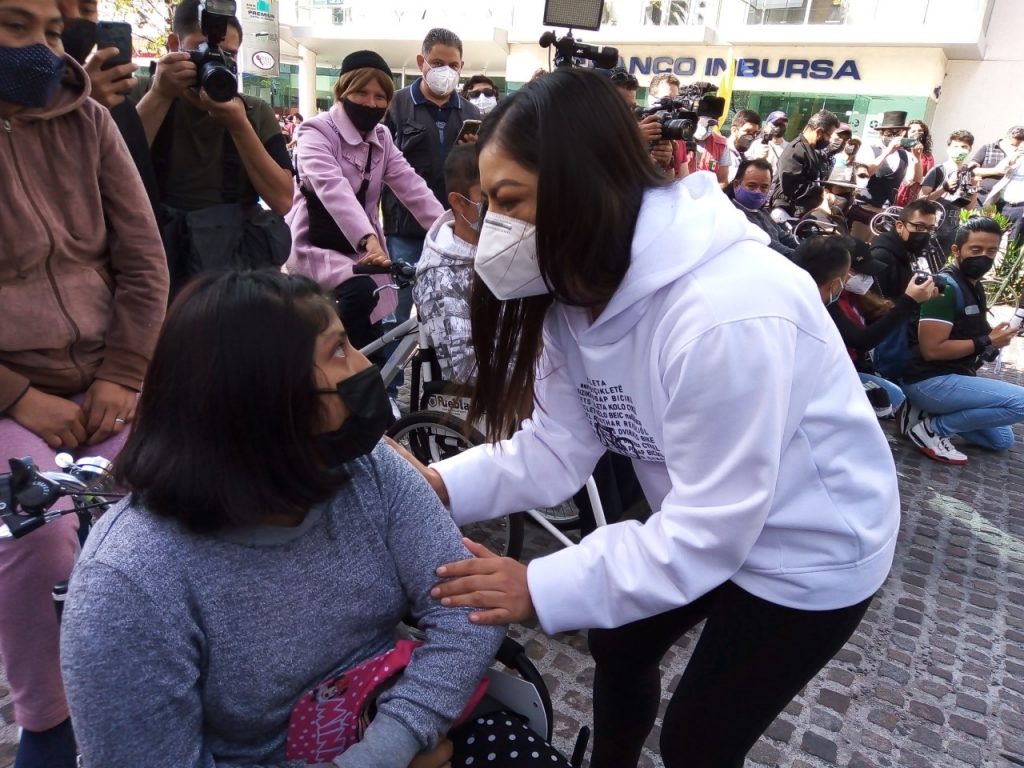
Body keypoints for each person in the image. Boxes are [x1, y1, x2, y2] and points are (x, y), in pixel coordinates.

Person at [402, 69, 900, 768]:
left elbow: (708, 532)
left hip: (804, 546)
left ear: (583, 184)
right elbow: (552, 447)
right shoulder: (573, 286)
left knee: (698, 736)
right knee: (619, 642)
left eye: (510, 203)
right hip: (702, 509)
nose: (496, 235)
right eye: (490, 209)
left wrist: (537, 584)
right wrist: (435, 485)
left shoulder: (726, 312)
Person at [60, 270, 504, 768]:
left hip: (399, 726)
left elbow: (470, 609)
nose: (364, 366)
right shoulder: (128, 584)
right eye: (338, 351)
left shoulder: (368, 468)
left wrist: (392, 744)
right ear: (263, 398)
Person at [0, 1, 169, 764]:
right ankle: (50, 716)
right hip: (14, 395)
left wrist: (123, 376)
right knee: (39, 537)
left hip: (110, 380)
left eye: (44, 29)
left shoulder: (89, 122)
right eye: (14, 25)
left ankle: (176, 679)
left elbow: (143, 261)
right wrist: (18, 398)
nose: (41, 49)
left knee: (185, 498)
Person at [286, 50, 444, 360]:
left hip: (364, 255)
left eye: (380, 96)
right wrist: (369, 239)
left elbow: (412, 187)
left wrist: (449, 230)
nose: (371, 103)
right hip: (317, 247)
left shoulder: (382, 138)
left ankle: (373, 392)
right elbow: (333, 189)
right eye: (361, 92)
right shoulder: (316, 131)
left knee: (374, 342)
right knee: (353, 314)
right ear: (343, 90)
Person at [133, 0, 293, 294]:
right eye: (201, 50)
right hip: (153, 266)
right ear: (173, 45)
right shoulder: (140, 93)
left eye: (228, 54)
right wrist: (160, 95)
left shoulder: (253, 111)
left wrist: (239, 126)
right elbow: (108, 172)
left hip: (227, 269)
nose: (215, 61)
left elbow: (282, 200)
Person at [900, 217, 1024, 463]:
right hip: (928, 380)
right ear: (957, 250)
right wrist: (986, 341)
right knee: (1021, 402)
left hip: (956, 374)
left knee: (1001, 440)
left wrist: (993, 339)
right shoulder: (945, 288)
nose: (984, 258)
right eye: (976, 250)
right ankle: (933, 430)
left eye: (991, 251)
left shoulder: (973, 286)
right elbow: (932, 350)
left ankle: (921, 414)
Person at [382, 28, 480, 330]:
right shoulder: (395, 105)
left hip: (452, 231)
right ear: (421, 61)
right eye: (437, 63)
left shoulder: (471, 111)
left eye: (453, 65)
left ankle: (438, 377)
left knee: (446, 316)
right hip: (404, 229)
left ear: (462, 67)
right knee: (396, 314)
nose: (445, 72)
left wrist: (471, 153)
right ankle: (392, 378)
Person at [790, 236, 937, 414]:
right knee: (894, 397)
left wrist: (914, 301)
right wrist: (909, 302)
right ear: (838, 277)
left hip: (846, 368)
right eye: (859, 272)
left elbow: (880, 317)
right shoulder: (824, 302)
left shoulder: (851, 294)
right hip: (820, 375)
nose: (866, 278)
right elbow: (859, 339)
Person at [413, 144, 482, 384]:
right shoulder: (439, 277)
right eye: (487, 197)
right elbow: (463, 368)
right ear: (459, 202)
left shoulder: (505, 242)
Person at [769, 109, 839, 219]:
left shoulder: (810, 150)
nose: (829, 140)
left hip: (805, 211)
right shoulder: (796, 151)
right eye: (829, 136)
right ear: (819, 132)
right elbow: (793, 186)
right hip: (789, 212)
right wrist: (821, 192)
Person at [920, 130, 978, 256]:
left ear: (970, 149)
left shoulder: (968, 173)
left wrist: (974, 188)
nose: (959, 150)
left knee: (939, 267)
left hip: (951, 230)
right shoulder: (938, 170)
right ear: (948, 148)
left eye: (964, 147)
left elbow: (969, 207)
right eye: (955, 146)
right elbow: (921, 201)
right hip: (930, 228)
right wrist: (944, 188)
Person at [870, 198, 941, 300]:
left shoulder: (910, 250)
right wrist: (911, 300)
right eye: (919, 227)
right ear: (900, 226)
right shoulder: (881, 257)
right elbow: (873, 305)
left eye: (930, 229)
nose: (925, 233)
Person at [727, 158, 797, 256]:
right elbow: (770, 246)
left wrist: (806, 246)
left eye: (764, 187)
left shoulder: (761, 211)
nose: (758, 191)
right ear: (736, 185)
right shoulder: (732, 214)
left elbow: (783, 236)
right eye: (752, 185)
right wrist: (802, 256)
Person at [856, 111, 922, 209]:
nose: (893, 137)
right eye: (889, 133)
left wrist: (917, 158)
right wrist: (887, 152)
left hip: (887, 210)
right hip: (864, 206)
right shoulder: (869, 149)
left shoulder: (905, 155)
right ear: (881, 133)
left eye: (897, 133)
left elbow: (916, 180)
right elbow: (865, 174)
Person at [969, 124, 1024, 206]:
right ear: (1005, 138)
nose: (1015, 149)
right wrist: (995, 171)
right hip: (983, 197)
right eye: (1013, 145)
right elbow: (971, 170)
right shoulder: (988, 148)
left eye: (1019, 146)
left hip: (1007, 203)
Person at [896, 119, 936, 205]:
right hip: (898, 190)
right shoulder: (899, 151)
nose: (917, 133)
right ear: (907, 134)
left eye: (920, 131)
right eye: (913, 131)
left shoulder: (927, 156)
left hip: (915, 193)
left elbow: (929, 175)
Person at [726, 109, 761, 182]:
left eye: (755, 133)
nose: (751, 136)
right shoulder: (721, 152)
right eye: (747, 131)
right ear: (734, 130)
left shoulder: (742, 154)